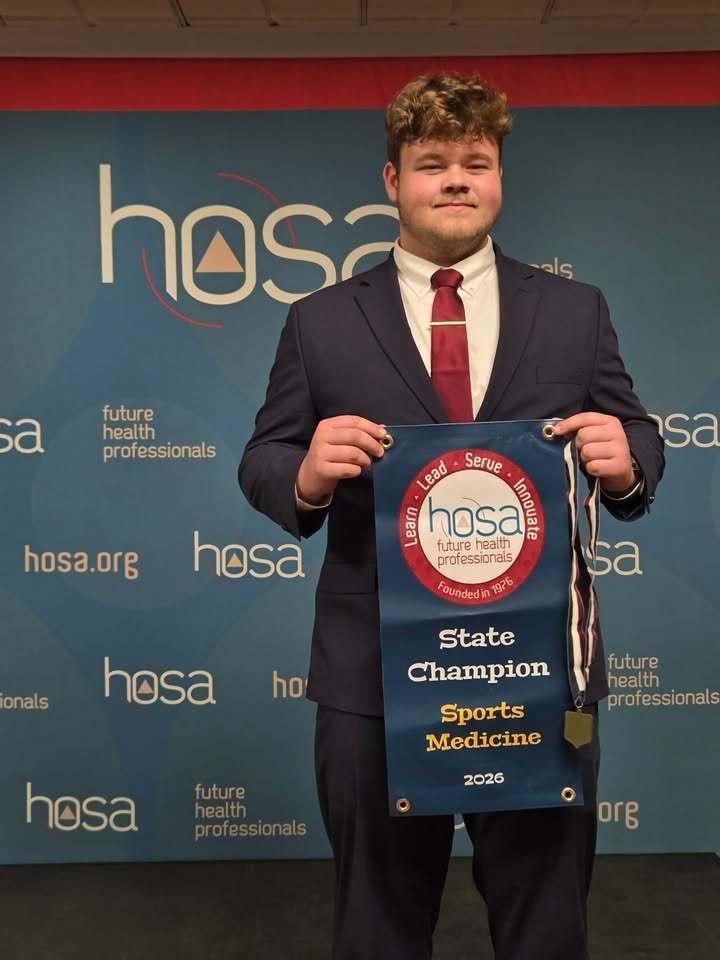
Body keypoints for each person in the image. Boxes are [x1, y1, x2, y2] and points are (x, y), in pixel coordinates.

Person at [238, 73, 664, 960]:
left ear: (500, 178)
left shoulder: (575, 311)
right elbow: (264, 460)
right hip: (373, 682)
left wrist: (626, 464)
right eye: (433, 164)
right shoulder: (319, 322)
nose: (457, 179)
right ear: (393, 182)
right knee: (379, 927)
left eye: (477, 162)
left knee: (547, 919)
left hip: (541, 674)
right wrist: (309, 472)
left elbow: (639, 440)